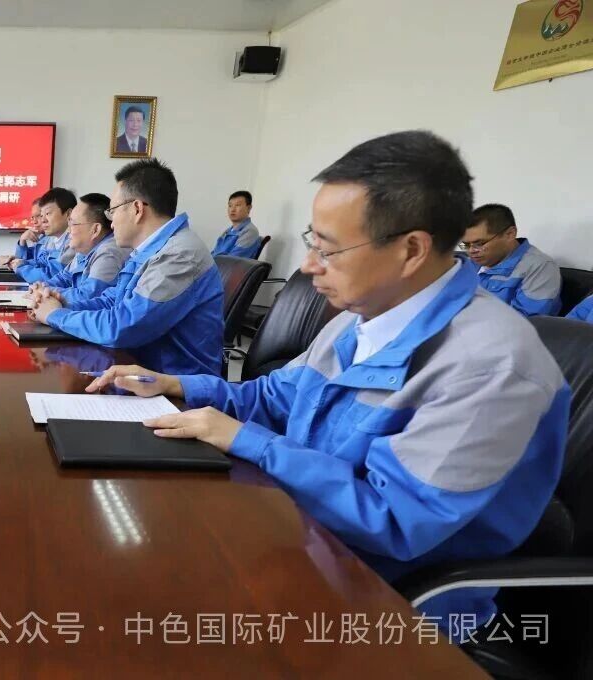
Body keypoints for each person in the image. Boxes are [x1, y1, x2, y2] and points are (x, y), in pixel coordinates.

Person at [87, 131, 568, 638]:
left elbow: (393, 521)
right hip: (302, 539)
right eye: (310, 241)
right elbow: (276, 396)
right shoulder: (360, 319)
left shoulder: (491, 366)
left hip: (390, 605)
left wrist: (250, 441)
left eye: (328, 248)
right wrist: (178, 386)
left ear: (410, 250)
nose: (307, 265)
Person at [32, 159, 224, 377]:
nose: (111, 222)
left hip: (174, 385)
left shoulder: (179, 255)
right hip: (139, 369)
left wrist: (56, 315)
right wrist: (63, 303)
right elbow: (113, 301)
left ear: (137, 209)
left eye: (112, 211)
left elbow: (122, 326)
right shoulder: (148, 250)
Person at [28, 193, 130, 305]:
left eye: (73, 224)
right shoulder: (84, 250)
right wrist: (42, 286)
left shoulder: (109, 253)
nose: (68, 230)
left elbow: (87, 296)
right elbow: (63, 278)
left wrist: (45, 292)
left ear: (95, 229)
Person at [463, 203, 560, 316]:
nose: (471, 251)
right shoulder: (470, 263)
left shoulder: (540, 267)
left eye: (479, 243)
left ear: (510, 234)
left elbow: (524, 321)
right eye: (466, 245)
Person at [13, 188, 77, 283]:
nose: (43, 220)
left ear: (68, 214)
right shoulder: (54, 240)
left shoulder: (75, 242)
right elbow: (40, 263)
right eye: (42, 215)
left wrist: (20, 267)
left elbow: (50, 275)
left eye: (48, 213)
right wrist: (20, 262)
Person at [211, 191, 263, 259]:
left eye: (237, 205)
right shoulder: (226, 232)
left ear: (249, 208)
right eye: (230, 206)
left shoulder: (250, 232)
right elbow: (213, 254)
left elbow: (232, 260)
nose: (232, 209)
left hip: (226, 266)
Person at [0, 199, 44, 266]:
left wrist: (20, 263)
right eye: (32, 217)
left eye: (38, 216)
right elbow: (27, 259)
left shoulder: (53, 239)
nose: (34, 222)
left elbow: (42, 267)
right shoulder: (42, 238)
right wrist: (22, 240)